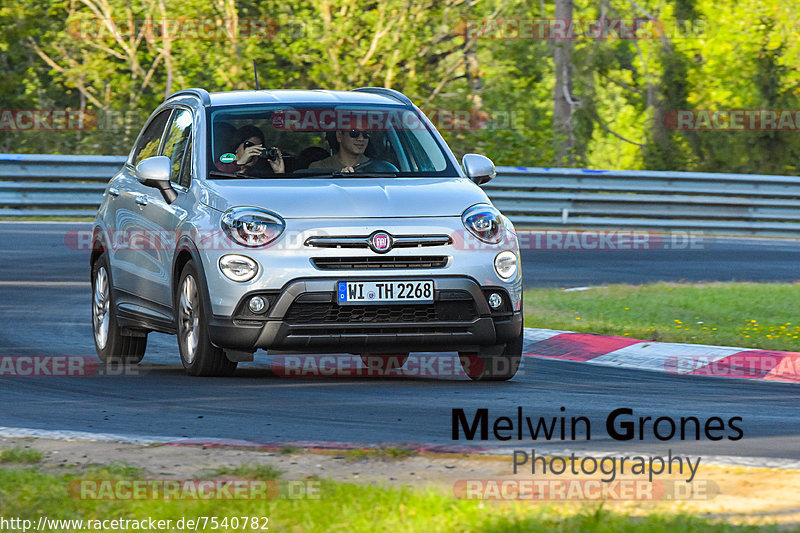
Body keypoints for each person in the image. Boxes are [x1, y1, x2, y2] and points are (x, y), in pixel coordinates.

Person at [309, 130, 397, 173]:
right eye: (354, 133)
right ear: (340, 136)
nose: (361, 138)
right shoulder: (318, 168)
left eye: (366, 134)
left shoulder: (381, 169)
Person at [215, 125, 285, 175]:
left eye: (258, 148)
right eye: (249, 146)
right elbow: (216, 175)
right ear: (236, 148)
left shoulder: (260, 173)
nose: (253, 151)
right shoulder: (222, 166)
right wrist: (239, 164)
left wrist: (279, 173)